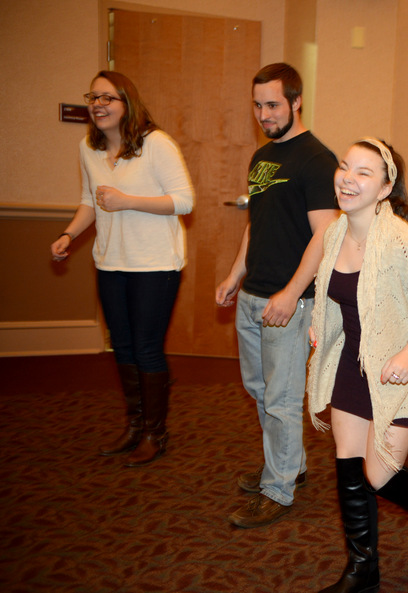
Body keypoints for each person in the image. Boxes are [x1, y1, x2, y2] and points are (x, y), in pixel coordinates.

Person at [307, 138, 408, 593]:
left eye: (364, 172)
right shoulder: (336, 231)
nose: (348, 179)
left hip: (399, 374)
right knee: (350, 468)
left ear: (386, 187)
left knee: (379, 473)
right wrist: (322, 328)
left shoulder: (403, 244)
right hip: (351, 364)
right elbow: (332, 296)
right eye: (345, 167)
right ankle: (362, 570)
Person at [215, 63, 339, 529]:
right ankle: (290, 464)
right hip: (253, 295)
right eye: (258, 104)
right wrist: (234, 274)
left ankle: (278, 488)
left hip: (289, 302)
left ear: (296, 101)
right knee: (261, 391)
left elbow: (325, 235)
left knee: (282, 399)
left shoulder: (316, 160)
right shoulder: (262, 158)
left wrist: (292, 292)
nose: (264, 114)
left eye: (273, 105)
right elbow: (257, 224)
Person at [50, 71, 194, 468]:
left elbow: (184, 202)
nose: (98, 104)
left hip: (155, 264)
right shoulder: (88, 148)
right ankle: (135, 426)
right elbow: (89, 201)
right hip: (110, 262)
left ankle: (155, 433)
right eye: (93, 97)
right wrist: (70, 235)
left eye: (107, 97)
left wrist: (127, 200)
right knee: (123, 346)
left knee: (147, 349)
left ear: (127, 103)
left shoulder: (156, 144)